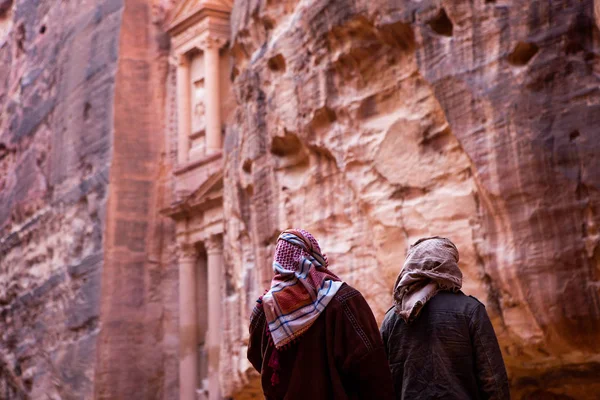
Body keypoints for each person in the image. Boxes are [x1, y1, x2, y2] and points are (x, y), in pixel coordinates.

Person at [247, 229, 394, 400]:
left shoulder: (265, 310)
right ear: (313, 256)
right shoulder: (344, 300)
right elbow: (371, 365)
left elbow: (257, 358)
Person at [380, 236, 510, 399]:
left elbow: (380, 382)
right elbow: (493, 378)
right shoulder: (470, 310)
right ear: (448, 265)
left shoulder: (392, 318)